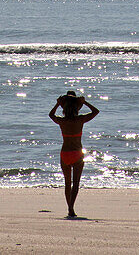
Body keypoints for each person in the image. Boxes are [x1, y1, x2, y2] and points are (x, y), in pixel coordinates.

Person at [48, 89, 99, 218]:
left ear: (64, 107)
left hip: (65, 153)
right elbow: (96, 111)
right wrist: (85, 102)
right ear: (77, 106)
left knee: (67, 183)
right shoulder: (80, 120)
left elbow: (51, 115)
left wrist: (57, 104)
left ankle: (69, 208)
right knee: (75, 183)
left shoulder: (62, 121)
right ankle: (71, 208)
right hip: (77, 153)